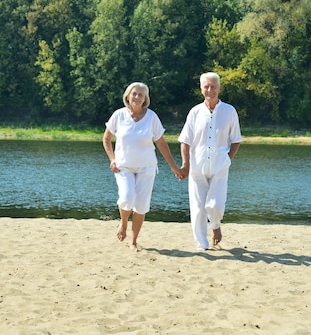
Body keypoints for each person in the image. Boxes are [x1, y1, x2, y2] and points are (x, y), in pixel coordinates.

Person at [103, 82, 184, 251]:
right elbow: (106, 138)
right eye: (134, 94)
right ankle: (123, 222)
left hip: (147, 167)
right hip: (123, 166)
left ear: (145, 98)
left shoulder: (152, 117)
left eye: (141, 95)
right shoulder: (119, 115)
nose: (137, 97)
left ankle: (133, 242)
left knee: (141, 205)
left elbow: (161, 143)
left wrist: (174, 167)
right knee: (126, 198)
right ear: (127, 96)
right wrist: (112, 159)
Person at [179, 72, 241, 250]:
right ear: (201, 89)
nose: (210, 90)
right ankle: (202, 244)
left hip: (220, 165)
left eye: (213, 86)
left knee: (216, 204)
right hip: (197, 166)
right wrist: (185, 164)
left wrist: (227, 159)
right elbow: (185, 141)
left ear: (219, 88)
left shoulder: (229, 111)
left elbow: (236, 140)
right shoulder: (195, 112)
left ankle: (215, 224)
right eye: (206, 86)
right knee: (198, 208)